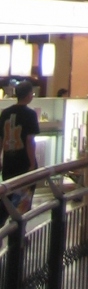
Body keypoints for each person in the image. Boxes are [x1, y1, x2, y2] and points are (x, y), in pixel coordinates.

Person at [0, 82, 39, 212]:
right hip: (24, 163)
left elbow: (1, 138)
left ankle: (5, 221)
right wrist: (32, 164)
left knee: (7, 197)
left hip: (9, 162)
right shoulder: (30, 114)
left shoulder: (5, 113)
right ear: (28, 95)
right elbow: (29, 140)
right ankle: (18, 223)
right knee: (23, 201)